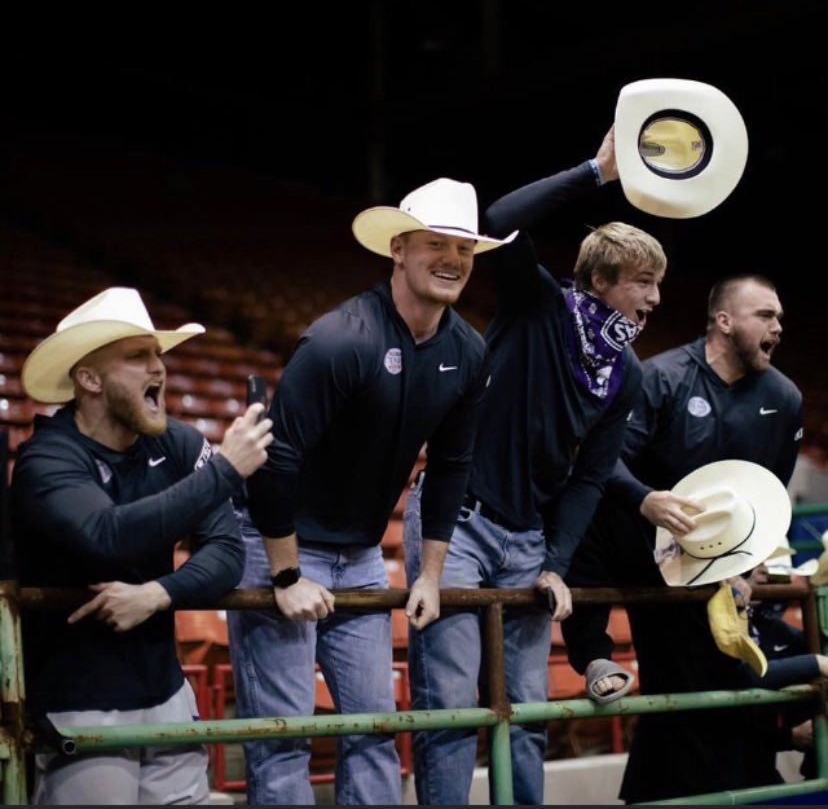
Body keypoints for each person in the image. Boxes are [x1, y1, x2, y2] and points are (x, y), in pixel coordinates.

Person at [227, 177, 515, 805]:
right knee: (283, 739)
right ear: (398, 250)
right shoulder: (341, 338)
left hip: (358, 556)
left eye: (464, 249)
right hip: (277, 545)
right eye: (435, 243)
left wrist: (431, 576)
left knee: (376, 732)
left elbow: (451, 466)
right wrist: (284, 577)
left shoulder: (467, 351)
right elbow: (276, 461)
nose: (452, 260)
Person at [403, 126, 668, 805]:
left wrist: (556, 559)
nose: (655, 298)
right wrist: (593, 170)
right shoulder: (538, 301)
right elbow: (497, 222)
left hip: (526, 541)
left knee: (528, 712)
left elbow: (589, 478)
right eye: (643, 281)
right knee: (453, 708)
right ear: (602, 280)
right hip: (456, 524)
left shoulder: (625, 374)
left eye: (659, 283)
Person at [10, 286, 274, 805]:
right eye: (137, 356)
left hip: (167, 692)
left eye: (158, 354)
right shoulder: (47, 459)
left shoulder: (176, 442)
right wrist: (222, 472)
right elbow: (105, 536)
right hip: (77, 701)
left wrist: (159, 593)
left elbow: (226, 551)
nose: (159, 367)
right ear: (88, 378)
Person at [560, 273, 804, 802]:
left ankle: (674, 792)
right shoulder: (662, 378)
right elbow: (606, 462)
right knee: (583, 509)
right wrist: (647, 499)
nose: (778, 327)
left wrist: (748, 563)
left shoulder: (784, 398)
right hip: (639, 538)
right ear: (723, 321)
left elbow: (772, 495)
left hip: (714, 558)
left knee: (702, 684)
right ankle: (593, 654)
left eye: (779, 317)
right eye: (766, 315)